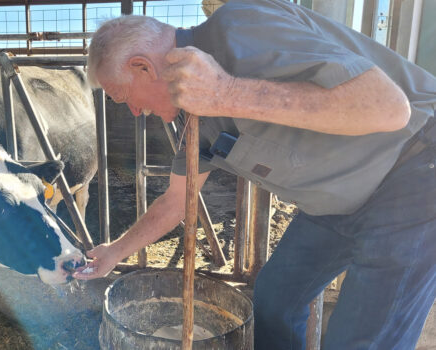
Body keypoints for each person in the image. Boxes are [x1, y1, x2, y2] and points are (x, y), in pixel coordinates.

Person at [72, 0, 436, 348]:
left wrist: (225, 93)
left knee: (361, 341)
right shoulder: (192, 117)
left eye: (123, 97)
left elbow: (389, 108)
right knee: (276, 298)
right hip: (337, 201)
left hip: (412, 174)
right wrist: (114, 252)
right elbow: (175, 202)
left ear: (142, 67)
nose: (134, 111)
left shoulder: (238, 28)